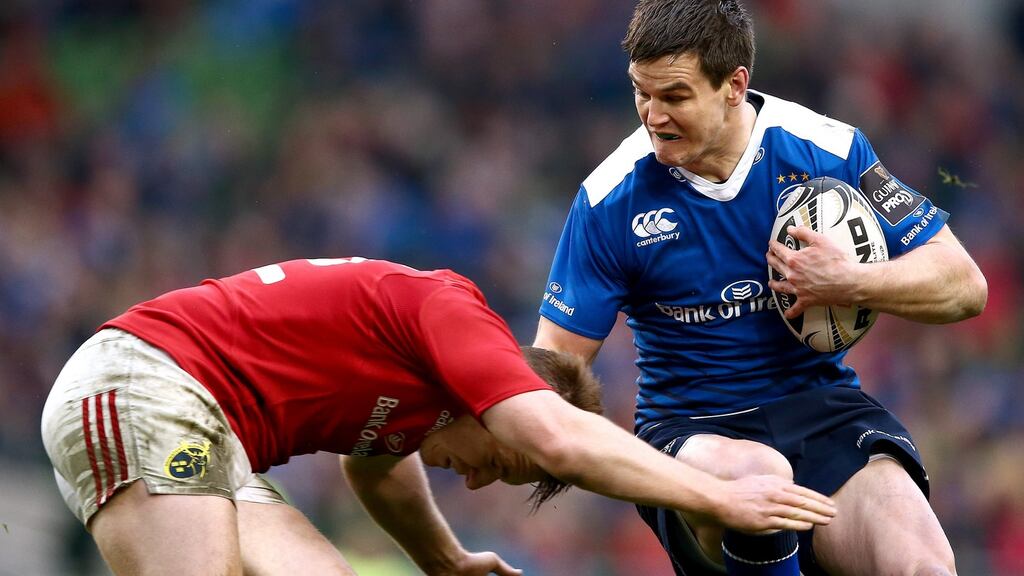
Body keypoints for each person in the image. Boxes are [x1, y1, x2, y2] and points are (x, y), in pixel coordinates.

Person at [533, 1, 988, 575]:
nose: (652, 116)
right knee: (761, 478)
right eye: (639, 94)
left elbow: (965, 286)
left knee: (922, 566)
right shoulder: (608, 200)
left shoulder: (830, 151)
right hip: (691, 432)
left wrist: (855, 281)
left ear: (734, 85)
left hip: (823, 412)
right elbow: (555, 367)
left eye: (673, 96)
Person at [41, 256, 835, 576]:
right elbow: (555, 435)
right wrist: (719, 498)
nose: (483, 481)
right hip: (146, 384)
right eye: (504, 459)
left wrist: (447, 562)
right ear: (499, 399)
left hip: (216, 440)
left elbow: (375, 465)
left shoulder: (411, 406)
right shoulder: (453, 311)